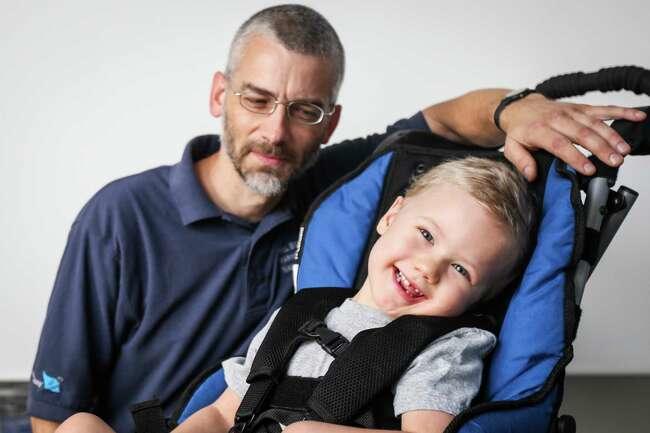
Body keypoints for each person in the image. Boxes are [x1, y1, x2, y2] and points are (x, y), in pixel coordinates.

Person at [28, 4, 645, 433]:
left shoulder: (335, 189)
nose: (276, 131)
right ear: (220, 94)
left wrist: (517, 109)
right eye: (257, 99)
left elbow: (446, 119)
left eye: (305, 110)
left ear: (331, 122)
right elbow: (49, 415)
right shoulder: (120, 216)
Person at [54, 156, 535, 433]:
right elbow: (223, 413)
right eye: (426, 235)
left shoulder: (443, 348)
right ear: (391, 217)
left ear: (480, 296)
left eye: (460, 269)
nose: (428, 268)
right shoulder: (302, 310)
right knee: (78, 426)